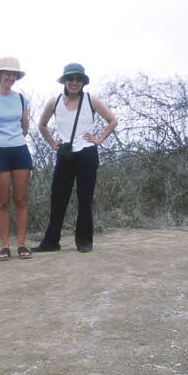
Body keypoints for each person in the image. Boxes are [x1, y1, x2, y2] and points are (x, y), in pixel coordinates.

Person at [33, 63, 118, 253]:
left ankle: (84, 241)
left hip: (87, 153)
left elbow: (113, 120)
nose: (74, 82)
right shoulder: (53, 102)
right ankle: (50, 242)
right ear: (64, 81)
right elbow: (42, 125)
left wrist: (99, 139)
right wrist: (52, 143)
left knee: (85, 197)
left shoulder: (91, 100)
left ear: (83, 82)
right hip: (65, 154)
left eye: (78, 79)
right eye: (70, 78)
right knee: (58, 198)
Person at [0, 57, 33, 261]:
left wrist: (13, 140)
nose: (11, 77)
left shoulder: (21, 99)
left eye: (14, 74)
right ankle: (5, 245)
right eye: (7, 73)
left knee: (20, 199)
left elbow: (25, 127)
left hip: (19, 150)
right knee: (2, 201)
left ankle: (21, 243)